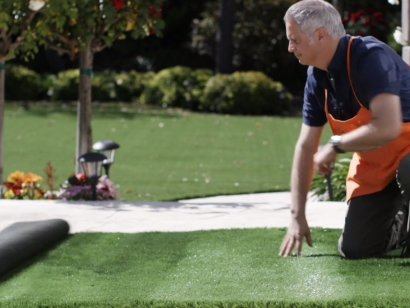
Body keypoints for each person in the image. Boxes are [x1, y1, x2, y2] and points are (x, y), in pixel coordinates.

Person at [279, 0, 410, 259]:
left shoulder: (371, 57)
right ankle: (399, 226)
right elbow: (306, 146)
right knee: (355, 249)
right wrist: (297, 216)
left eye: (294, 39)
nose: (290, 47)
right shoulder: (316, 77)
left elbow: (386, 126)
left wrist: (335, 145)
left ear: (319, 35)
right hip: (377, 166)